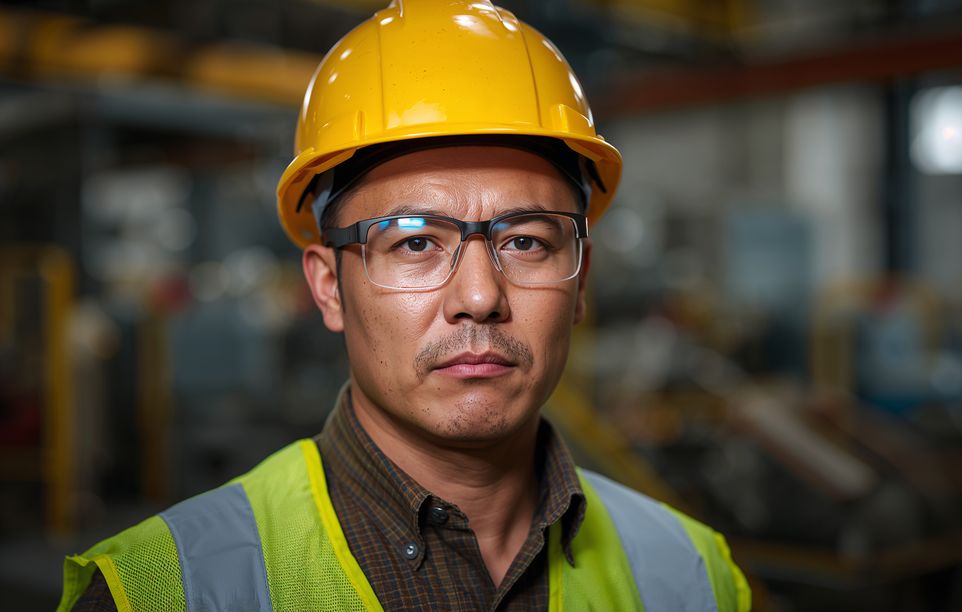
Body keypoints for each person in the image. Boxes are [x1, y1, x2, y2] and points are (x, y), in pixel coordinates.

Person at [60, 1, 750, 610]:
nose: (479, 297)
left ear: (581, 280)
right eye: (416, 241)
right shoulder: (159, 592)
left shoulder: (690, 576)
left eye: (526, 242)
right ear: (328, 285)